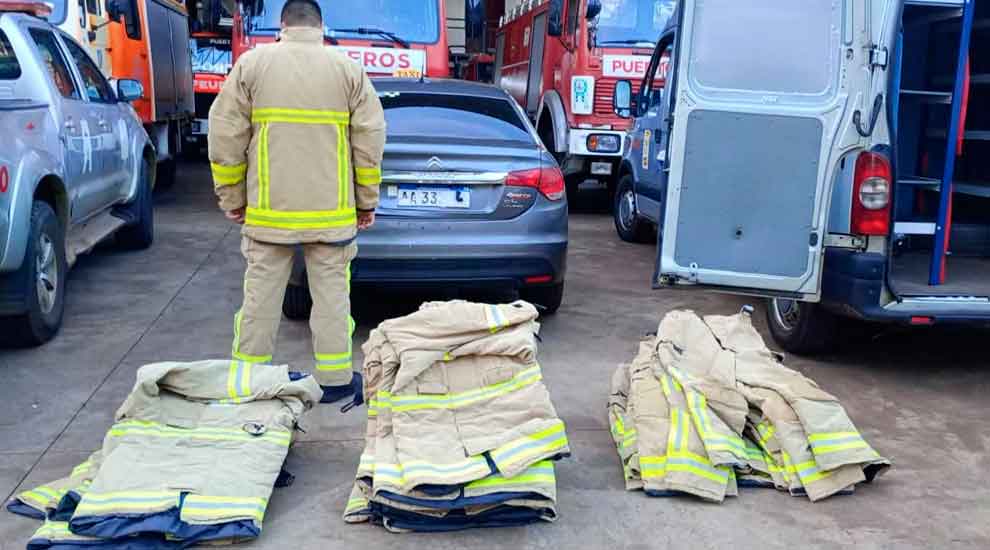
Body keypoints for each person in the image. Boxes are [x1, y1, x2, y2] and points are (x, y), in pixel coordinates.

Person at [207, 0, 385, 405]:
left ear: (283, 24)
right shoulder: (348, 70)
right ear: (321, 26)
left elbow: (225, 135)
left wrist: (232, 197)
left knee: (260, 300)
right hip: (332, 214)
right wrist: (365, 202)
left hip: (269, 213)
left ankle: (249, 380)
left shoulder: (253, 65)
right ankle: (337, 380)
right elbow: (369, 141)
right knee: (332, 301)